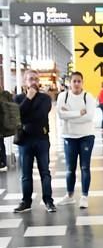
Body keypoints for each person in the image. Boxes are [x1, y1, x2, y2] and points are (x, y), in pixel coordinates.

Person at [13, 69, 56, 213]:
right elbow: (17, 115)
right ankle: (26, 201)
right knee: (26, 173)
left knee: (45, 172)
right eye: (30, 79)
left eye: (36, 79)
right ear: (25, 82)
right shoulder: (18, 99)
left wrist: (26, 113)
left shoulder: (45, 98)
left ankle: (48, 201)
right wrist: (29, 99)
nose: (34, 82)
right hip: (25, 140)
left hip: (41, 139)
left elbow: (41, 115)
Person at [56, 72, 98, 209]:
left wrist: (69, 114)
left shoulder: (88, 97)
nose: (76, 84)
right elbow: (61, 115)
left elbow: (89, 117)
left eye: (79, 81)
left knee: (85, 167)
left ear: (82, 82)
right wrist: (79, 112)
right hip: (69, 136)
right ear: (70, 82)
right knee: (70, 168)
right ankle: (69, 195)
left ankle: (84, 196)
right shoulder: (63, 96)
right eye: (74, 81)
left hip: (86, 136)